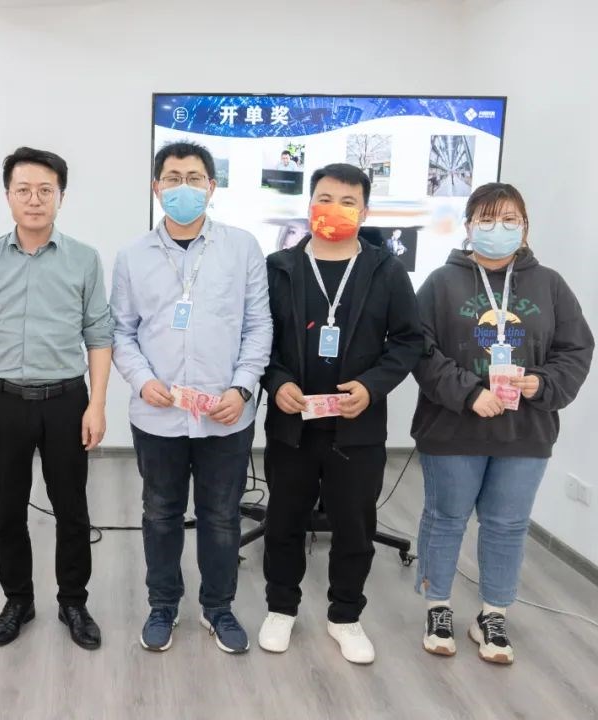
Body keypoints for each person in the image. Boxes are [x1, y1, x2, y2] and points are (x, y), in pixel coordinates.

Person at [411, 183, 593, 664]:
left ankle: (492, 614)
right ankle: (437, 605)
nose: (499, 228)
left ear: (525, 227)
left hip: (524, 431)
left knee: (507, 525)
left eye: (510, 219)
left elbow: (576, 348)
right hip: (452, 429)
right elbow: (420, 350)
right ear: (469, 226)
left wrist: (542, 383)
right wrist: (470, 393)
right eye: (487, 219)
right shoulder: (440, 283)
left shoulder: (549, 285)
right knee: (445, 519)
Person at [258, 163, 423, 664]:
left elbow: (408, 340)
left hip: (357, 428)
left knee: (354, 527)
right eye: (325, 198)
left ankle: (345, 616)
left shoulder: (386, 269)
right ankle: (281, 608)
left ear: (364, 211)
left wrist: (372, 387)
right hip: (293, 424)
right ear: (310, 204)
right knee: (284, 521)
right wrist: (277, 381)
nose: (335, 209)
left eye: (348, 202)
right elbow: (259, 339)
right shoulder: (279, 267)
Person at [111, 141, 272, 654]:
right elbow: (121, 332)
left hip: (226, 413)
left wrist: (242, 387)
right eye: (173, 178)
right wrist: (142, 380)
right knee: (160, 513)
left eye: (195, 178)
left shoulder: (242, 248)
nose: (184, 187)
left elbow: (258, 325)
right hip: (157, 414)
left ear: (212, 187)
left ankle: (218, 607)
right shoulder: (133, 256)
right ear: (156, 188)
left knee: (221, 516)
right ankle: (163, 604)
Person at [0, 147, 114, 650]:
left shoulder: (84, 259)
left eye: (46, 190)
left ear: (60, 197)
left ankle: (74, 602)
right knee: (7, 511)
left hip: (66, 400)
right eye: (23, 190)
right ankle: (18, 600)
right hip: (2, 401)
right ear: (8, 196)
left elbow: (99, 335)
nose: (34, 199)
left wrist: (97, 404)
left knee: (72, 509)